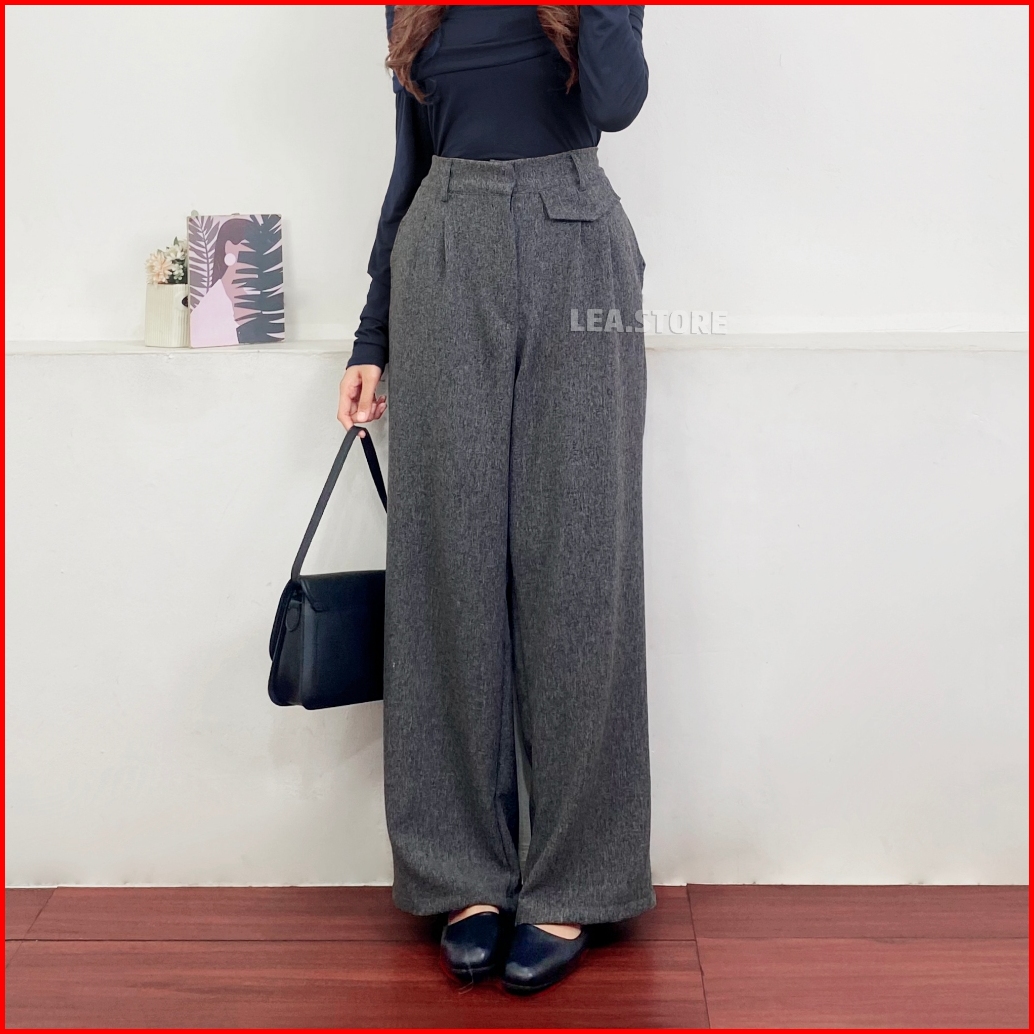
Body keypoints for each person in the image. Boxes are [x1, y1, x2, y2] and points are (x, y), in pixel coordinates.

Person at [338, 4, 652, 995]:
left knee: (581, 559)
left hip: (576, 240)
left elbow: (617, 104)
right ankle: (461, 875)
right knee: (448, 560)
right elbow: (408, 163)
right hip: (442, 249)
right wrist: (372, 333)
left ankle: (579, 879)